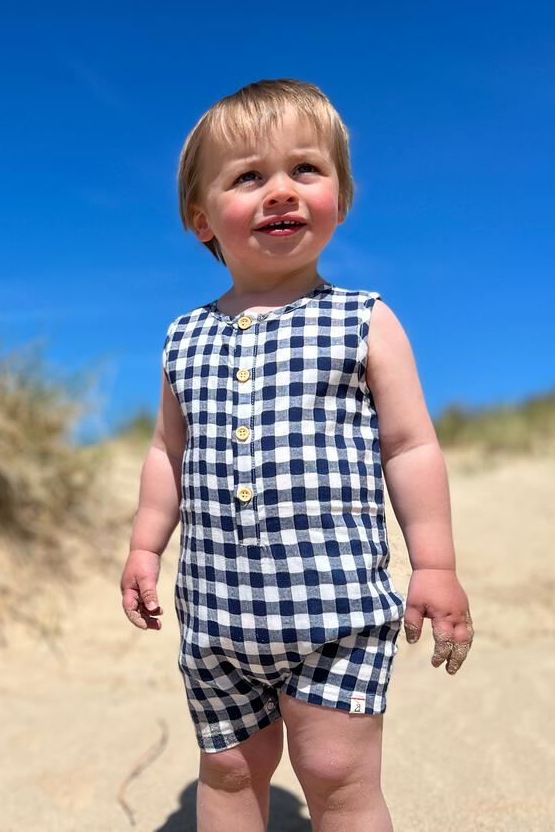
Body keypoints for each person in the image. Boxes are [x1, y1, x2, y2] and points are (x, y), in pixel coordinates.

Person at [120, 78, 474, 832]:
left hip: (336, 610)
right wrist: (146, 546)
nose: (280, 191)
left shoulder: (363, 320)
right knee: (225, 775)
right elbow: (166, 454)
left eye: (305, 170)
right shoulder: (184, 338)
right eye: (248, 177)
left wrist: (434, 563)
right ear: (199, 218)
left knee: (337, 775)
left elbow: (410, 447)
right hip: (216, 618)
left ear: (339, 198)